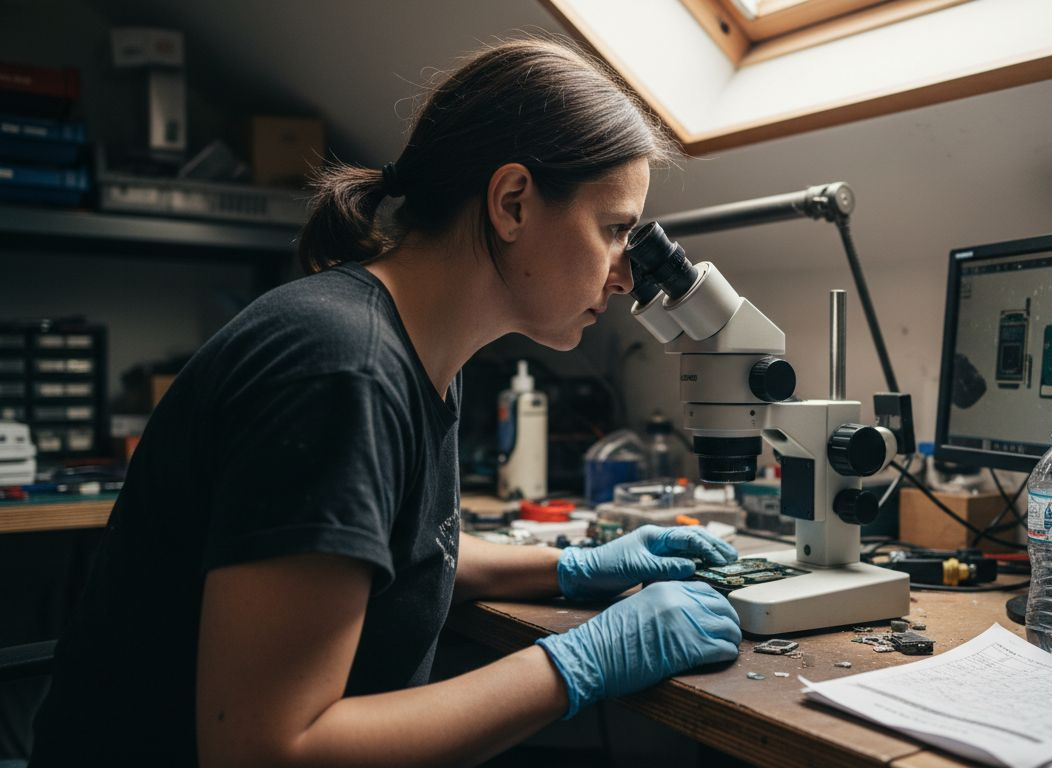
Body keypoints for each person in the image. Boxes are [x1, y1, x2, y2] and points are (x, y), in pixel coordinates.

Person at [28, 37, 742, 766]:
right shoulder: (344, 371)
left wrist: (568, 565)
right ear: (512, 203)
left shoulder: (419, 348)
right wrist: (576, 665)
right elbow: (264, 751)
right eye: (615, 229)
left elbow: (376, 551)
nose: (625, 277)